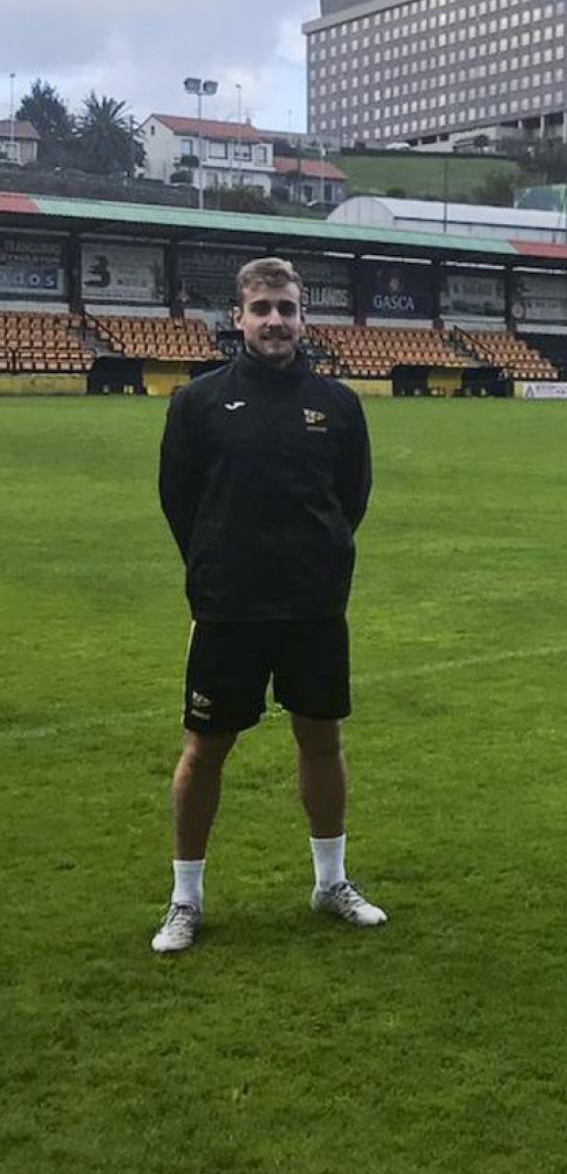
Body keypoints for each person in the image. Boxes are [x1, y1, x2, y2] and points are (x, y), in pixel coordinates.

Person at [152, 257, 384, 953]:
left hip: (313, 608)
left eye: (286, 308)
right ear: (239, 318)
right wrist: (218, 564)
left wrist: (321, 558)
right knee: (205, 750)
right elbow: (179, 502)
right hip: (229, 610)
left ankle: (330, 882)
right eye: (262, 309)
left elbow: (352, 498)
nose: (275, 321)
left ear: (303, 315)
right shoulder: (197, 403)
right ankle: (185, 899)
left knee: (321, 740)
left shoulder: (338, 404)